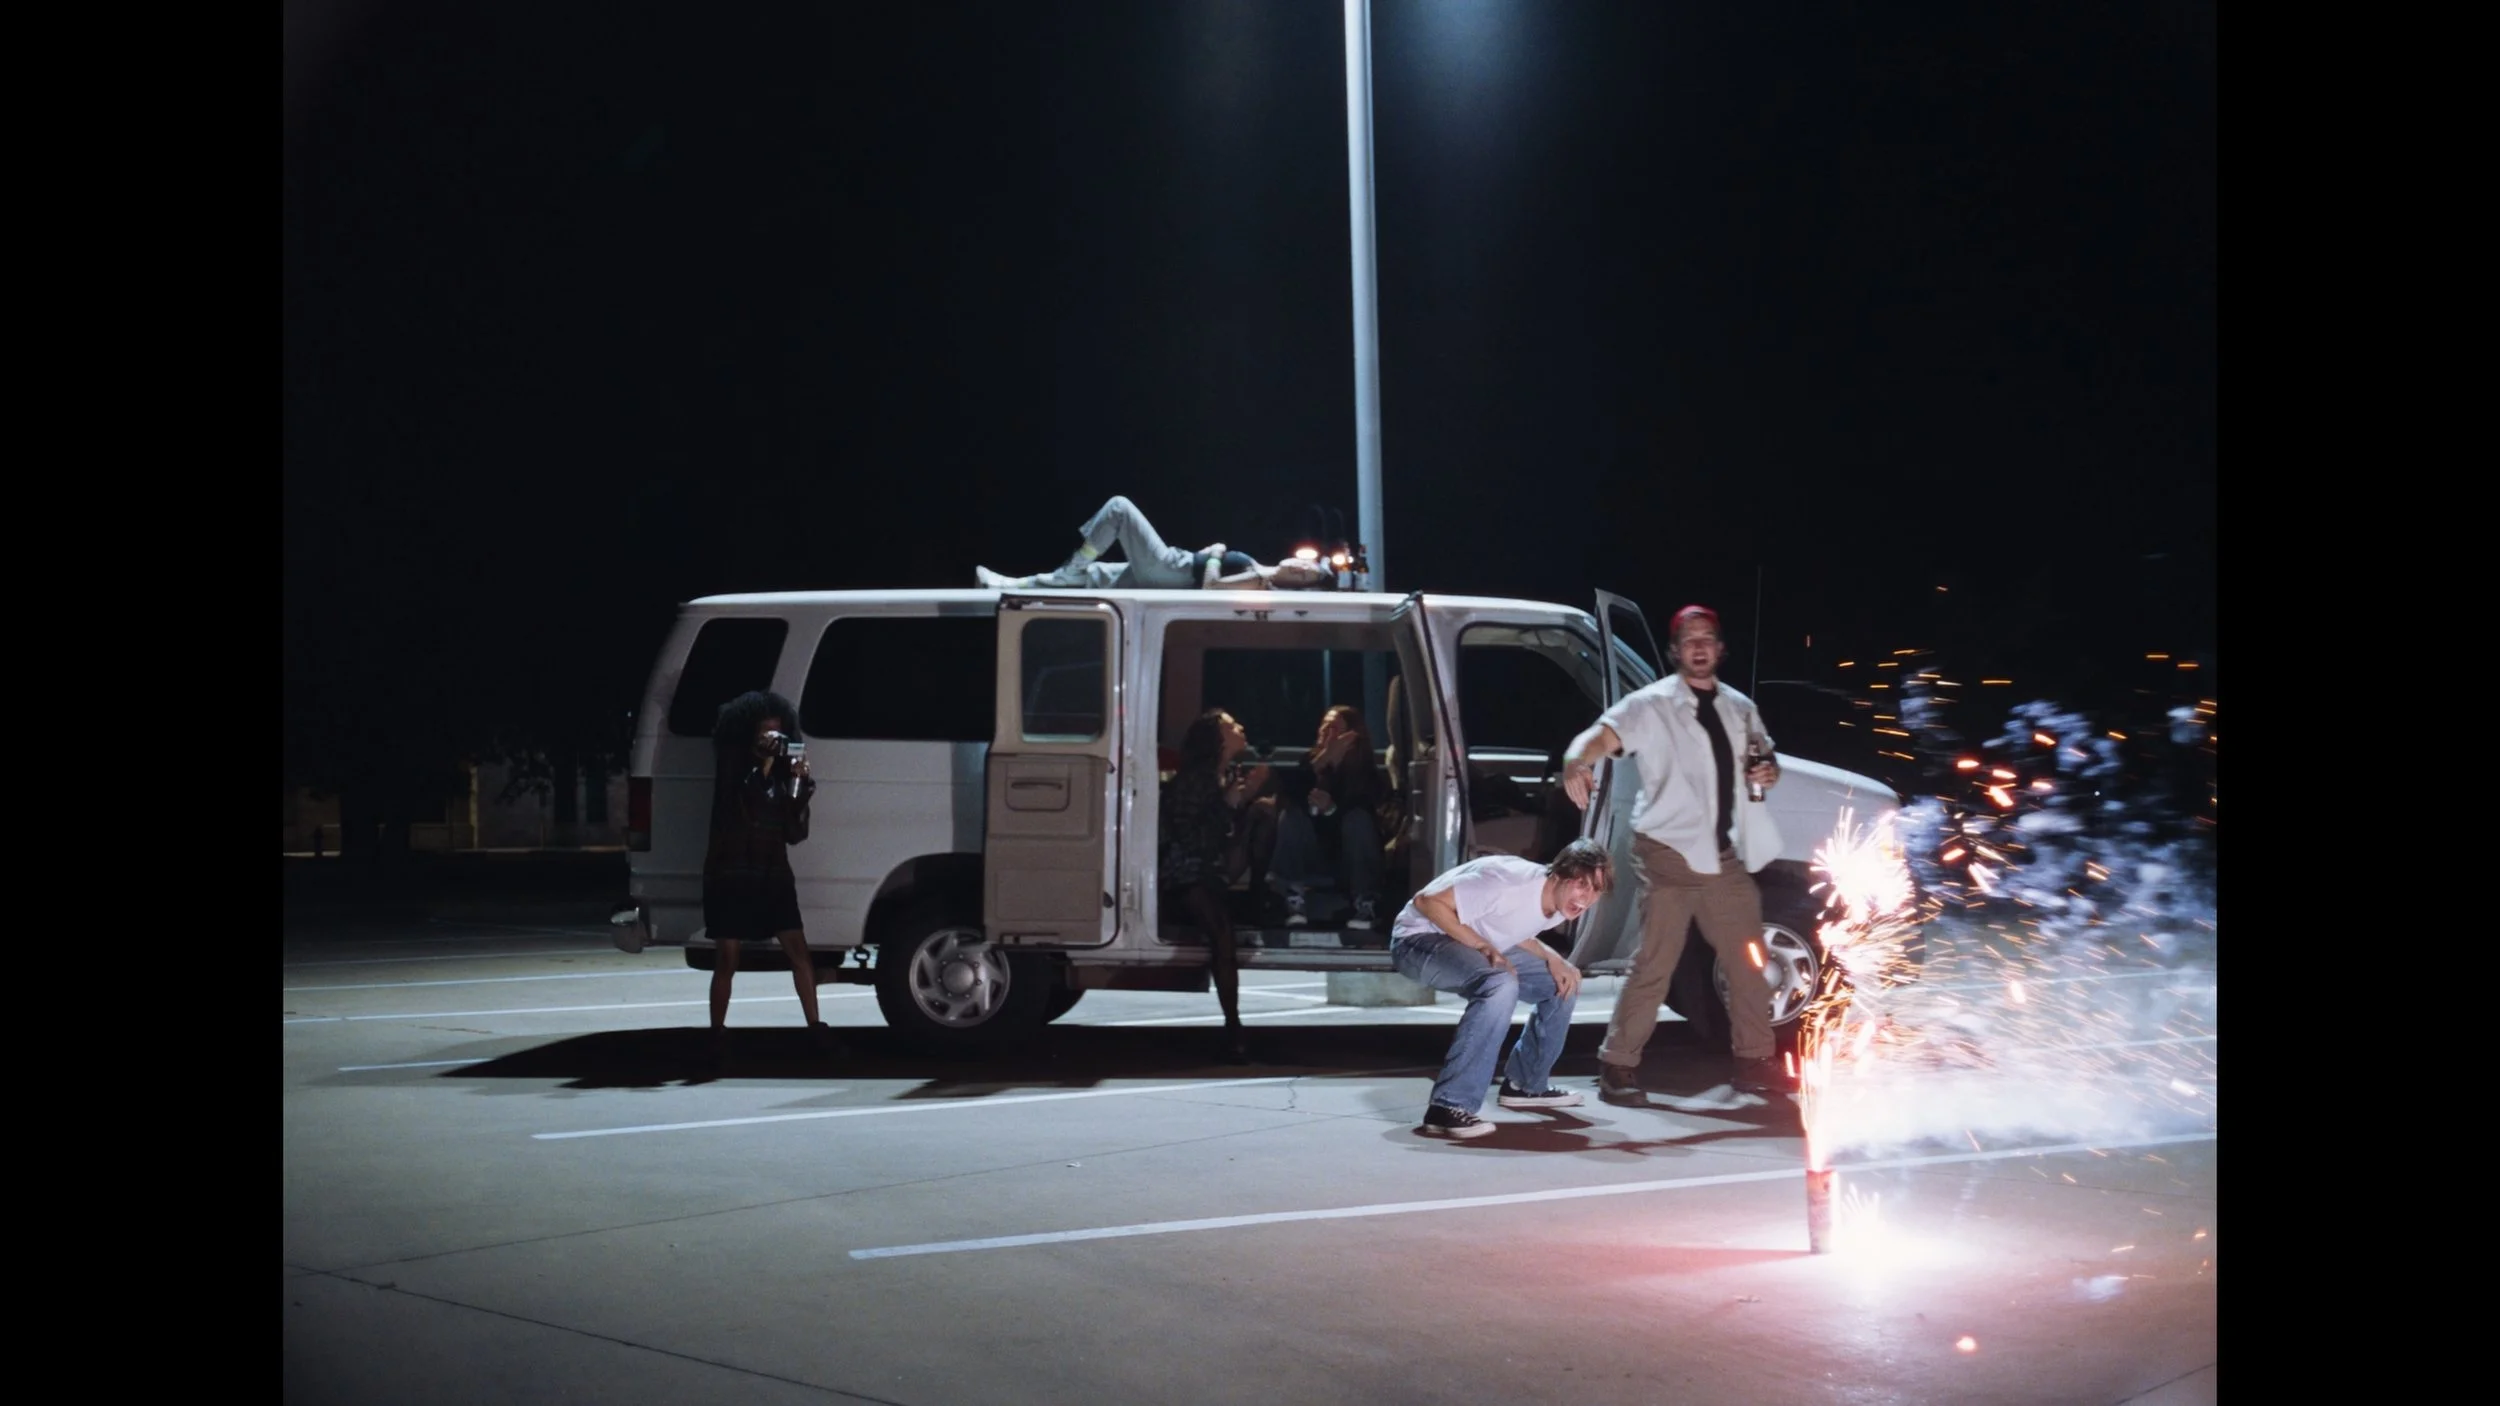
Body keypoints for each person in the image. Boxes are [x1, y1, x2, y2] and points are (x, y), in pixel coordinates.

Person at [1560, 604, 1787, 1101]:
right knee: (1657, 961)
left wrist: (1767, 771)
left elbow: (1762, 756)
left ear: (1720, 649)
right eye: (1689, 639)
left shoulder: (1739, 706)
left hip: (1720, 853)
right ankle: (1617, 1064)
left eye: (1707, 638)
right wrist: (1575, 760)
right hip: (1666, 852)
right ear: (1675, 651)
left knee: (1749, 960)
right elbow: (1598, 736)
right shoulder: (1651, 705)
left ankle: (1754, 1060)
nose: (1699, 646)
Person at [1388, 838, 1613, 1139]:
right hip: (1418, 940)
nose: (1585, 898)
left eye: (1595, 890)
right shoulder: (1508, 883)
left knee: (1561, 982)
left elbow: (1509, 924)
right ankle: (1447, 1107)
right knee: (1499, 983)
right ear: (1558, 876)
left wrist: (1552, 958)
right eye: (1581, 885)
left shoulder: (1560, 904)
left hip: (1465, 939)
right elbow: (1426, 902)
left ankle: (1525, 1085)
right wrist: (1483, 946)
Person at [704, 690, 844, 1064]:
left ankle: (816, 1027)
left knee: (799, 952)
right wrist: (764, 764)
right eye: (767, 733)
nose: (774, 739)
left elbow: (795, 833)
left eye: (779, 733)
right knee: (727, 958)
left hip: (772, 870)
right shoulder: (732, 765)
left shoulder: (784, 770)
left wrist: (800, 784)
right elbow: (740, 806)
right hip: (732, 870)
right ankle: (716, 1033)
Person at [1160, 709, 1270, 1061]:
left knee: (1265, 813)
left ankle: (1260, 898)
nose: (1241, 728)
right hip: (1187, 875)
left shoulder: (1224, 775)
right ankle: (1233, 1026)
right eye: (1232, 725)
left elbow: (1225, 836)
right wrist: (1227, 805)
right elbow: (1188, 837)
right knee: (1222, 935)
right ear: (1218, 740)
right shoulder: (1196, 779)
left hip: (1215, 871)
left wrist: (1244, 801)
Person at [975, 494, 1333, 590]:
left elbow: (1211, 588)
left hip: (1171, 570)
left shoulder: (1260, 580)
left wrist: (1216, 554)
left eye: (1305, 576)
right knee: (1094, 577)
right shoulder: (1260, 568)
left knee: (1119, 509)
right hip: (1168, 571)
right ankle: (1004, 586)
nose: (1301, 567)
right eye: (1306, 565)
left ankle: (1071, 569)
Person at [1263, 704, 1388, 929]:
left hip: (1346, 859)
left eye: (1335, 729)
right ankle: (1293, 899)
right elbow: (1287, 797)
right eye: (1324, 727)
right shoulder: (1309, 766)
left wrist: (1331, 811)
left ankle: (1365, 902)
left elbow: (1365, 817)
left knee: (1357, 820)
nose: (1326, 733)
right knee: (1292, 815)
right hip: (1309, 856)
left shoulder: (1364, 775)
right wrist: (1323, 760)